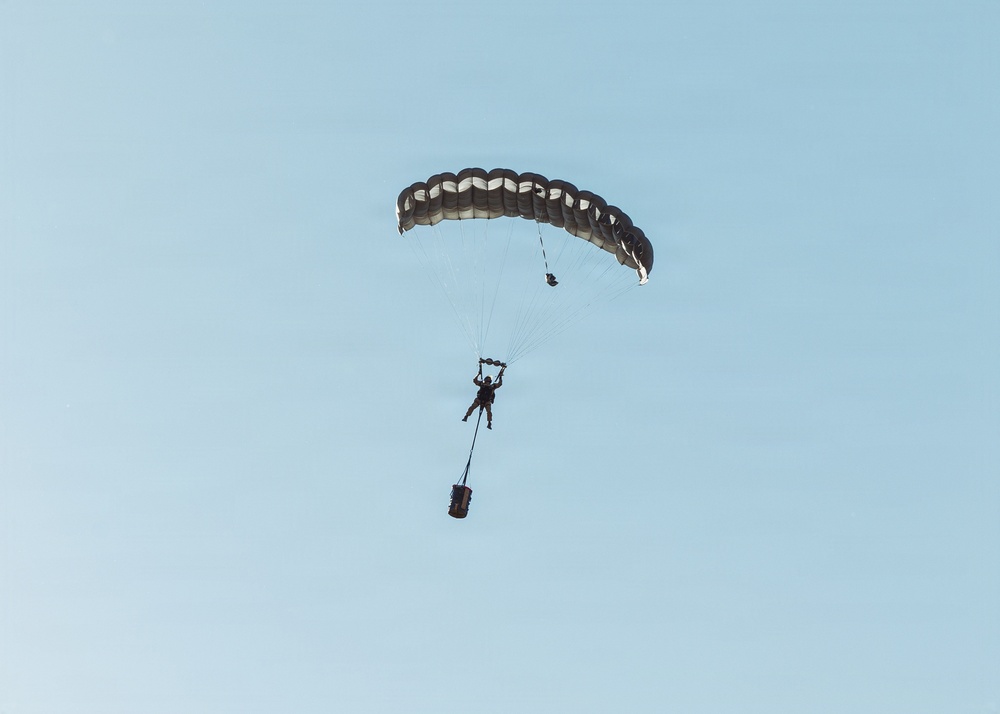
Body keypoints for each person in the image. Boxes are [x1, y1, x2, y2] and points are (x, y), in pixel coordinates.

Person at [462, 362, 504, 429]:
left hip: (487, 401)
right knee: (472, 407)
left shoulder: (492, 386)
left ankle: (489, 423)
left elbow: (499, 384)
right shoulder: (482, 384)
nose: (487, 382)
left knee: (489, 412)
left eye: (488, 380)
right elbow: (475, 381)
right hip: (479, 400)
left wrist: (500, 377)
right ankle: (466, 416)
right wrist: (478, 374)